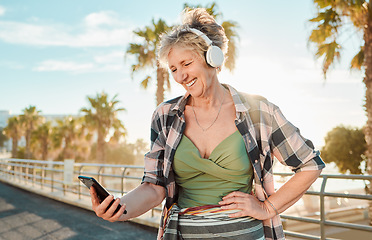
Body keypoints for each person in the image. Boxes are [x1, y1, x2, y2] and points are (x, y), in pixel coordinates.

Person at [89, 8, 325, 240]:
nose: (180, 76)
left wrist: (266, 208)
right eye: (173, 69)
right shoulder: (165, 116)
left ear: (212, 57)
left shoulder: (258, 111)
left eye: (186, 63)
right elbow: (154, 186)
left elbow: (310, 165)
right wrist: (120, 209)